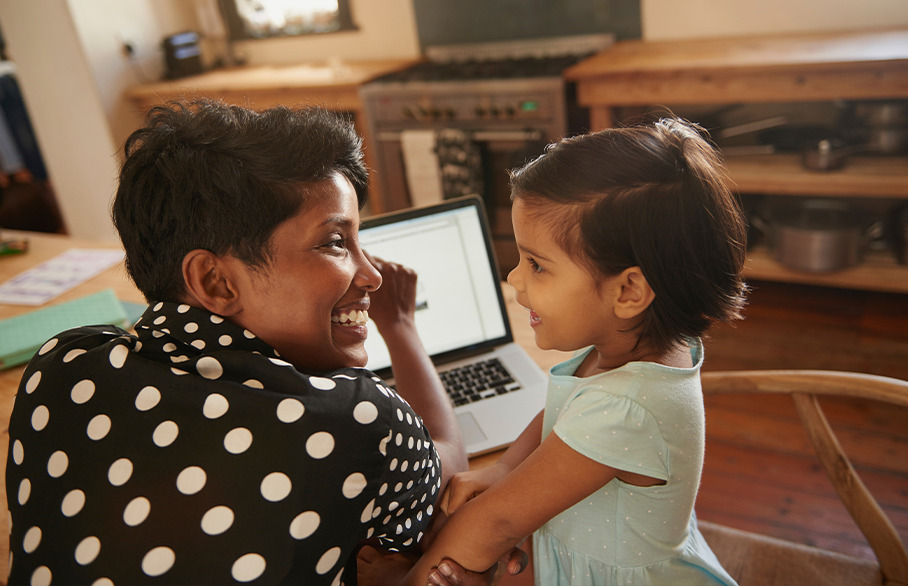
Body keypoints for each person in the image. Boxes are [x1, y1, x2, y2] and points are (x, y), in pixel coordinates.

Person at [5, 99, 480, 585]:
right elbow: (448, 467)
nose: (372, 275)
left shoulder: (62, 364)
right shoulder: (356, 420)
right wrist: (399, 324)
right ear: (214, 281)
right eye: (335, 242)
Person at [406, 118, 749, 585]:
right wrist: (506, 467)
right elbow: (562, 409)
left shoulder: (625, 407)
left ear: (628, 291)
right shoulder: (629, 344)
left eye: (538, 266)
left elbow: (496, 522)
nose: (515, 279)